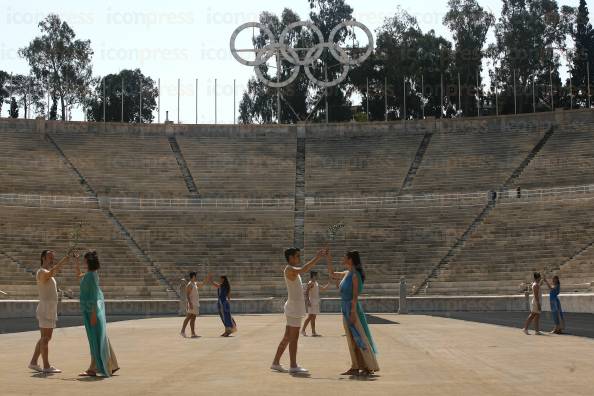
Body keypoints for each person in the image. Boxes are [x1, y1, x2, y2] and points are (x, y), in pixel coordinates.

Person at [271, 247, 326, 374]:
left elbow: (297, 286)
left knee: (287, 337)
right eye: (297, 256)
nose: (299, 258)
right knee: (293, 338)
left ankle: (275, 362)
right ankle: (293, 365)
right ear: (290, 258)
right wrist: (317, 257)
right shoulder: (290, 269)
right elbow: (303, 269)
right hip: (294, 308)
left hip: (294, 307)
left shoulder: (293, 271)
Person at [328, 250, 379, 376]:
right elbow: (332, 274)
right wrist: (328, 258)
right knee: (351, 338)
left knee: (360, 337)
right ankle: (356, 366)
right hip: (345, 308)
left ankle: (368, 366)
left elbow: (355, 296)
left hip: (352, 308)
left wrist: (352, 312)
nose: (343, 258)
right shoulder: (347, 273)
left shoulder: (355, 275)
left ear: (350, 259)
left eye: (345, 256)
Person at [75, 251, 120, 377]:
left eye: (84, 260)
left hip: (92, 311)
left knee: (95, 339)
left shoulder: (92, 275)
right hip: (89, 310)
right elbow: (78, 275)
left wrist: (94, 314)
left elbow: (95, 295)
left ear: (88, 261)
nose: (83, 262)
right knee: (98, 338)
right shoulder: (90, 274)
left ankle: (93, 368)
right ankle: (110, 364)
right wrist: (76, 261)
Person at [28, 250, 69, 374]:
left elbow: (51, 273)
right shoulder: (41, 272)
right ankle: (46, 366)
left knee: (45, 338)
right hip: (46, 309)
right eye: (50, 257)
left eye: (53, 257)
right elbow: (50, 273)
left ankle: (34, 362)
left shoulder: (48, 273)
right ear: (43, 258)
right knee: (45, 338)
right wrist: (64, 261)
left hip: (50, 309)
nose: (52, 259)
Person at [301, 271, 330, 337]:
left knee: (313, 317)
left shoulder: (316, 283)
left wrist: (329, 282)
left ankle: (313, 332)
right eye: (316, 275)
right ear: (313, 275)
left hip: (315, 302)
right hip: (312, 302)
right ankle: (303, 330)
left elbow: (323, 288)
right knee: (310, 317)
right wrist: (308, 301)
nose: (317, 276)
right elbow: (306, 292)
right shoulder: (310, 283)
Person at [180, 272, 208, 338]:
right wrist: (190, 303)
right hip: (192, 303)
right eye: (195, 276)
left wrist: (206, 279)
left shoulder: (194, 283)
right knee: (188, 317)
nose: (196, 277)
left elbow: (201, 285)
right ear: (193, 276)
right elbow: (187, 295)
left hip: (195, 303)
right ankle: (182, 331)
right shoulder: (189, 284)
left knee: (193, 319)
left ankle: (193, 333)